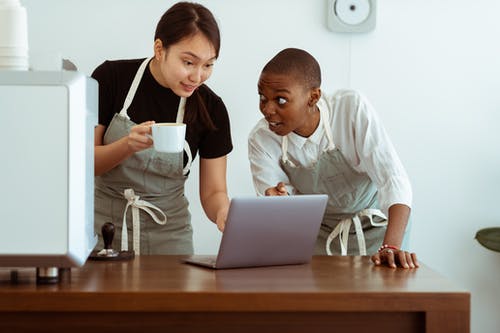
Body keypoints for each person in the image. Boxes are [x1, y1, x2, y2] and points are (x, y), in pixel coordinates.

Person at [248, 48, 418, 268]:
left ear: (313, 97)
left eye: (280, 100)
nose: (267, 109)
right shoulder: (262, 138)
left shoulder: (350, 108)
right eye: (263, 98)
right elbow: (279, 206)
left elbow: (393, 179)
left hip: (379, 230)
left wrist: (391, 248)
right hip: (318, 236)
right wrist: (277, 203)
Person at [92, 2, 232, 255]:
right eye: (189, 62)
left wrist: (224, 212)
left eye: (208, 65)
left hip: (170, 237)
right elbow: (84, 163)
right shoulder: (110, 78)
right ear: (159, 49)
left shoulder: (212, 109)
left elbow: (214, 191)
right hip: (104, 230)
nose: (197, 76)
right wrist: (126, 146)